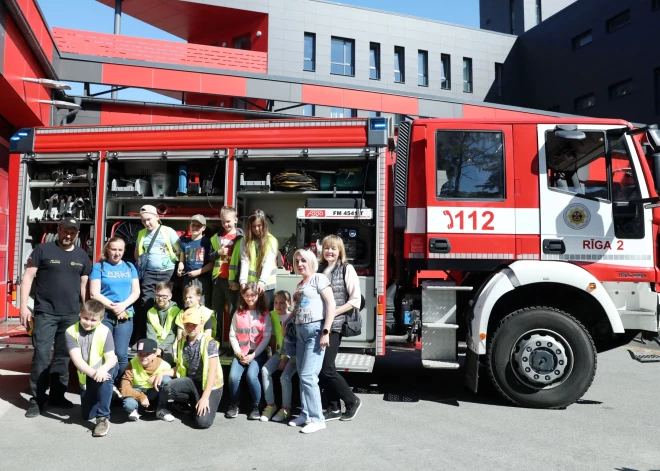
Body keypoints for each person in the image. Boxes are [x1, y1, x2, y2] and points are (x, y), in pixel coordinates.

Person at [20, 218, 93, 418]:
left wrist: (86, 310)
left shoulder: (82, 255)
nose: (68, 235)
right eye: (65, 231)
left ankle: (57, 396)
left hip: (71, 314)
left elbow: (84, 285)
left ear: (77, 234)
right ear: (59, 230)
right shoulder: (43, 250)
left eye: (73, 232)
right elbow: (27, 278)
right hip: (45, 313)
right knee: (42, 355)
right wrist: (24, 307)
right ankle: (37, 400)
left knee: (63, 356)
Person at [288, 249, 336, 434]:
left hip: (315, 331)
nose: (300, 264)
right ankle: (306, 414)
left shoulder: (319, 278)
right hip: (300, 331)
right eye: (297, 260)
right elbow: (299, 307)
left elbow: (331, 305)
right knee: (302, 374)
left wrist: (326, 331)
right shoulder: (301, 283)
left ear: (311, 262)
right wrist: (287, 320)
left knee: (308, 376)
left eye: (303, 260)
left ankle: (318, 419)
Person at [318, 235, 363, 421]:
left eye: (334, 248)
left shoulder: (346, 269)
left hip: (335, 325)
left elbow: (355, 300)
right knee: (325, 368)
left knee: (327, 369)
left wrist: (334, 312)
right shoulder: (320, 269)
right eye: (327, 248)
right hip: (320, 324)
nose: (330, 251)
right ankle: (334, 408)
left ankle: (352, 401)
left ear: (340, 251)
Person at [157, 308, 224, 429]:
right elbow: (178, 368)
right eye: (187, 324)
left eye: (194, 324)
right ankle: (194, 402)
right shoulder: (181, 342)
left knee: (202, 423)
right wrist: (161, 373)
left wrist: (205, 398)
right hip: (192, 382)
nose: (191, 327)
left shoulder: (210, 342)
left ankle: (200, 403)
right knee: (168, 388)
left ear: (201, 324)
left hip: (211, 386)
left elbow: (212, 372)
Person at [90, 237, 140, 390]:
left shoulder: (130, 267)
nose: (116, 253)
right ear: (107, 250)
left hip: (126, 315)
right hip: (105, 316)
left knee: (121, 353)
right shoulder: (99, 267)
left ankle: (121, 385)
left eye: (120, 250)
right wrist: (114, 307)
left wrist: (123, 306)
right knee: (106, 352)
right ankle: (106, 386)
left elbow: (136, 291)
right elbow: (94, 293)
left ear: (124, 251)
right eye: (113, 249)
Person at [65, 300, 117, 437]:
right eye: (85, 318)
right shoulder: (70, 331)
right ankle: (111, 397)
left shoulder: (105, 331)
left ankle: (103, 418)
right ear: (80, 314)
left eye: (93, 320)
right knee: (87, 415)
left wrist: (102, 370)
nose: (88, 322)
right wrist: (94, 373)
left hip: (104, 368)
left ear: (101, 319)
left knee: (105, 380)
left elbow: (112, 358)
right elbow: (77, 360)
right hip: (88, 372)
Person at [225, 282, 272, 420]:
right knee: (233, 377)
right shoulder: (238, 313)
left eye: (253, 295)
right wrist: (238, 352)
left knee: (251, 376)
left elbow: (266, 337)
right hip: (241, 353)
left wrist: (253, 355)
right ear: (243, 296)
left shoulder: (264, 314)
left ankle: (257, 405)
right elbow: (232, 334)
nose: (250, 298)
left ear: (258, 295)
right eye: (246, 295)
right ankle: (234, 404)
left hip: (258, 353)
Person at [134, 205, 180, 341]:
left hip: (167, 272)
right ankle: (144, 337)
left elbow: (179, 249)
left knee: (166, 303)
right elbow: (137, 252)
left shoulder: (168, 231)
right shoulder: (141, 234)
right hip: (149, 273)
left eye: (149, 219)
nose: (146, 223)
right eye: (143, 221)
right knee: (146, 303)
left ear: (157, 217)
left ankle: (168, 337)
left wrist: (181, 264)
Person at [260, 290, 298, 422]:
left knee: (284, 377)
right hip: (279, 353)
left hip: (293, 355)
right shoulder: (272, 315)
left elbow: (293, 340)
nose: (278, 306)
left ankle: (286, 408)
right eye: (276, 302)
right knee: (265, 371)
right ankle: (271, 405)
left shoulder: (293, 317)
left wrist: (285, 358)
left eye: (282, 303)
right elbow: (272, 336)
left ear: (289, 303)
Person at [210, 206, 243, 348]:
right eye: (223, 222)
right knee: (215, 313)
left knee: (232, 314)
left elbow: (245, 261)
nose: (226, 225)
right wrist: (218, 252)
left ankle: (231, 345)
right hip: (218, 280)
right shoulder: (216, 238)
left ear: (235, 220)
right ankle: (215, 344)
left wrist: (237, 281)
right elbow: (210, 257)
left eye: (228, 221)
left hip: (232, 282)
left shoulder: (241, 238)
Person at [120, 337, 173, 422]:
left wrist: (159, 375)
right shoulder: (132, 363)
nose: (143, 357)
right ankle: (136, 410)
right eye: (140, 354)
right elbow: (124, 389)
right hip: (137, 391)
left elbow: (176, 371)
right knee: (129, 404)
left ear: (155, 354)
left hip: (154, 391)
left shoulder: (163, 364)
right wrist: (141, 397)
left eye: (147, 354)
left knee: (166, 380)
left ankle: (161, 409)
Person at [239, 209, 279, 309]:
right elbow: (245, 261)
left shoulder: (271, 241)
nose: (257, 229)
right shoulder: (245, 240)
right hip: (250, 286)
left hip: (267, 285)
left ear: (264, 225)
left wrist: (261, 283)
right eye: (253, 226)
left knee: (265, 316)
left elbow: (268, 263)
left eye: (259, 225)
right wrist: (243, 282)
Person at [177, 214, 213, 308]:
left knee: (201, 304)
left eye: (198, 226)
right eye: (193, 225)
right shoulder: (184, 243)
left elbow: (212, 263)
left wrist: (198, 272)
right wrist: (180, 267)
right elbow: (181, 261)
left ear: (204, 227)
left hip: (202, 279)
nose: (195, 227)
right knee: (187, 303)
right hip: (188, 278)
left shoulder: (207, 242)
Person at [145, 281, 181, 365]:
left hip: (170, 342)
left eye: (164, 296)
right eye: (158, 295)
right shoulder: (150, 312)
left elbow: (173, 333)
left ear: (170, 296)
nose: (160, 299)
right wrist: (154, 348)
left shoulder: (176, 311)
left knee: (168, 358)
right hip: (155, 342)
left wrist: (160, 348)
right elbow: (150, 333)